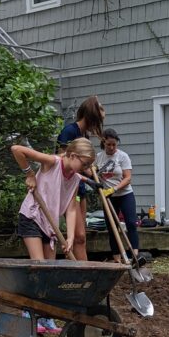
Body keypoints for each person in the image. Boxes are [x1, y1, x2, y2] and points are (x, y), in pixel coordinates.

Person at [11, 137, 96, 334]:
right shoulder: (52, 163)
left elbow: (72, 209)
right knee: (40, 266)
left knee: (50, 271)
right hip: (32, 216)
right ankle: (30, 312)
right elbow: (17, 149)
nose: (84, 169)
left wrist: (70, 237)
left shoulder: (74, 178)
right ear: (73, 155)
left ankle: (46, 317)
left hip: (50, 225)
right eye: (84, 164)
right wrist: (30, 174)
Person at [57, 96, 105, 260]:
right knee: (78, 235)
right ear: (92, 117)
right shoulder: (69, 132)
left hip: (80, 188)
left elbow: (84, 167)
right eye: (97, 121)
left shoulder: (84, 135)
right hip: (70, 189)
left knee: (81, 236)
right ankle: (80, 270)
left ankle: (82, 269)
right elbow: (62, 166)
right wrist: (87, 179)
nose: (97, 126)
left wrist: (94, 176)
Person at [95, 128, 140, 263]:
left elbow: (127, 178)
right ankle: (117, 259)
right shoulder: (98, 157)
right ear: (104, 143)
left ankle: (134, 256)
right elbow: (93, 173)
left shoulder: (123, 156)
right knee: (112, 227)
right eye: (109, 144)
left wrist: (114, 189)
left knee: (131, 223)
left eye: (114, 144)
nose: (112, 147)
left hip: (125, 194)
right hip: (108, 198)